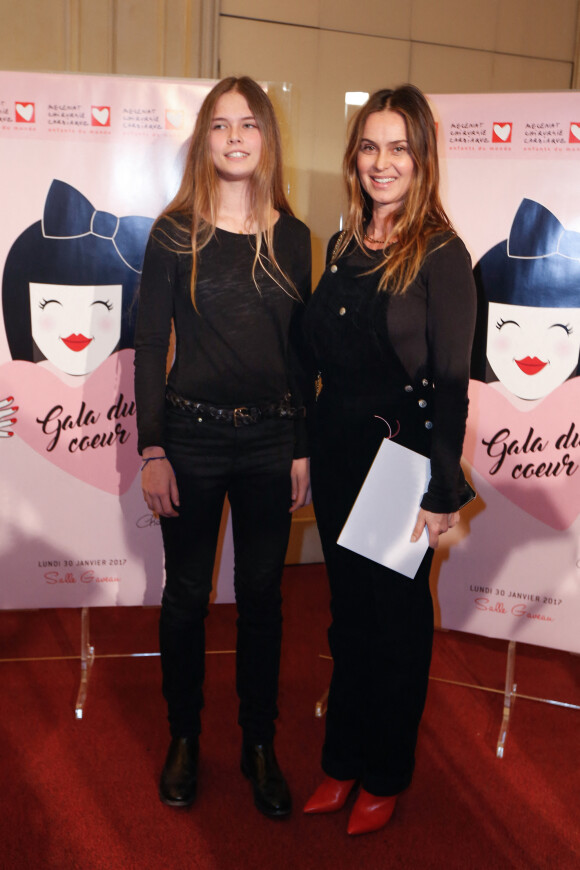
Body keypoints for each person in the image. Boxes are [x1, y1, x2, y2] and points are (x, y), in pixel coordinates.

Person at [133, 77, 311, 818]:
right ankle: (183, 738)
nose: (235, 137)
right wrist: (151, 449)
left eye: (248, 124)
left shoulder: (296, 237)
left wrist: (300, 443)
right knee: (185, 599)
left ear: (267, 137)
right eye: (220, 126)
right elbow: (148, 347)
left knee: (264, 601)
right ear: (204, 139)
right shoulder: (175, 231)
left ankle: (259, 744)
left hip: (273, 441)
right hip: (192, 441)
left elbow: (302, 354)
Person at [302, 85, 476, 835]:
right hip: (339, 459)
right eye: (370, 146)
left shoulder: (442, 253)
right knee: (345, 619)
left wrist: (440, 488)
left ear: (421, 158)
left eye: (398, 147)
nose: (382, 162)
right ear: (355, 158)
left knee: (393, 625)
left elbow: (451, 383)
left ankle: (384, 771)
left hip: (399, 469)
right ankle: (341, 759)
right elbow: (323, 365)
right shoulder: (343, 244)